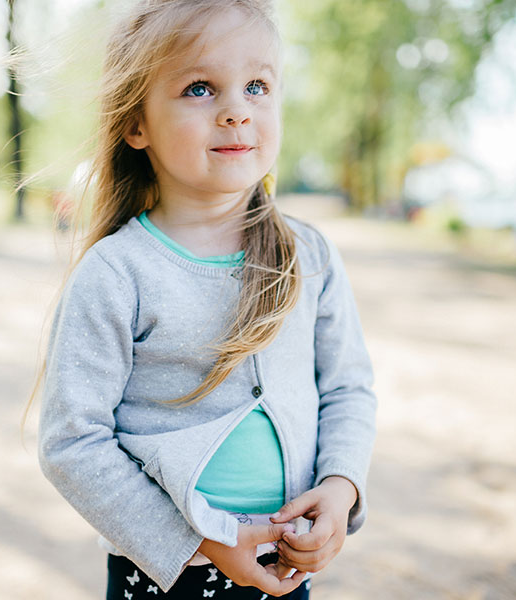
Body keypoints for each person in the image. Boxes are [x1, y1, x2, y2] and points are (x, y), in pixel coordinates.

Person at [31, 1, 378, 597]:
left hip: (284, 564)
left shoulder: (309, 256)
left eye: (257, 86)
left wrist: (342, 487)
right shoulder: (117, 273)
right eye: (199, 87)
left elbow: (347, 388)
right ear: (136, 124)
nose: (237, 111)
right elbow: (71, 439)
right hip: (164, 571)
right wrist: (195, 542)